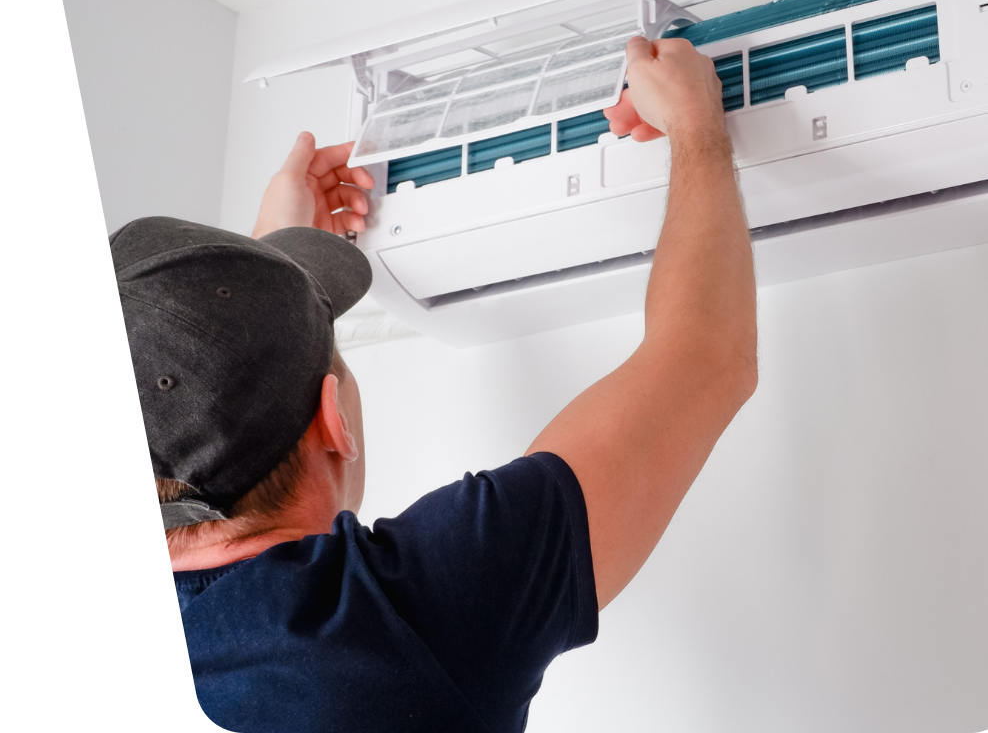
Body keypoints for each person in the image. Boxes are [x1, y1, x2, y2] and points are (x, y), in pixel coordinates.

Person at [120, 36, 757, 731]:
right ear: (334, 422)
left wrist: (266, 286)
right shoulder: (412, 614)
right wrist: (696, 122)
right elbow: (704, 356)